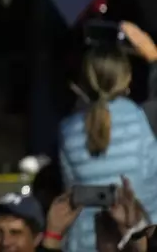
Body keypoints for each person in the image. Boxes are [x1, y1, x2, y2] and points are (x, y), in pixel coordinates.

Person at [59, 21, 157, 252]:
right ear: (128, 79)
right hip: (141, 242)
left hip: (84, 245)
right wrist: (153, 55)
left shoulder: (67, 129)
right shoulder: (143, 119)